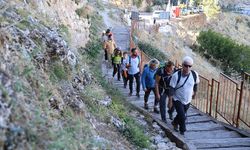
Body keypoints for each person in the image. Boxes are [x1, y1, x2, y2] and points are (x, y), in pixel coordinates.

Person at [168, 56, 200, 135]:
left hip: (187, 100)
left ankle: (175, 122)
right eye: (186, 65)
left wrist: (195, 93)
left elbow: (196, 84)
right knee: (183, 116)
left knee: (180, 114)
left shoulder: (194, 74)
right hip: (177, 99)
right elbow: (171, 88)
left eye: (190, 66)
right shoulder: (176, 75)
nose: (188, 68)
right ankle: (183, 130)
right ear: (182, 65)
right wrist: (170, 101)